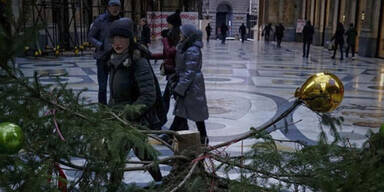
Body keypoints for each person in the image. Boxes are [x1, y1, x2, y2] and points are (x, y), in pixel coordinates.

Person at [106, 18, 164, 186]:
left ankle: (159, 181)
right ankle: (115, 184)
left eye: (122, 38)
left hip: (135, 119)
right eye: (114, 38)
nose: (117, 43)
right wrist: (110, 111)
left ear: (130, 40)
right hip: (118, 117)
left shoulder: (138, 61)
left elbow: (148, 95)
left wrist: (129, 113)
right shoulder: (113, 59)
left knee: (136, 151)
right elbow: (115, 93)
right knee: (123, 152)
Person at [171, 24, 209, 145]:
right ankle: (172, 134)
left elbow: (189, 72)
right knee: (182, 112)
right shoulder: (186, 47)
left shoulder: (192, 49)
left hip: (192, 87)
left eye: (182, 33)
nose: (180, 35)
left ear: (187, 35)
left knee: (196, 113)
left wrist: (179, 88)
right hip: (189, 86)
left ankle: (203, 137)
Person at [88, 0, 121, 105]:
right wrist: (100, 45)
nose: (115, 9)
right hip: (102, 57)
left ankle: (114, 108)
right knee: (102, 86)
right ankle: (102, 109)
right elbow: (90, 37)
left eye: (117, 7)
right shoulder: (100, 20)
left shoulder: (121, 21)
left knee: (116, 86)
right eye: (113, 6)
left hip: (116, 57)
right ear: (108, 7)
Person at [151, 10, 181, 115]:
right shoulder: (171, 35)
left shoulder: (177, 36)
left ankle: (165, 119)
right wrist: (150, 56)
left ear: (172, 24)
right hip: (172, 71)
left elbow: (170, 52)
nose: (167, 25)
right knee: (170, 97)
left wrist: (164, 40)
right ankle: (178, 121)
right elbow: (166, 55)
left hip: (175, 71)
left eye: (168, 23)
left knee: (171, 97)